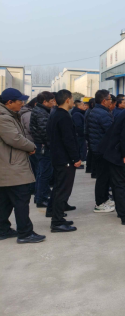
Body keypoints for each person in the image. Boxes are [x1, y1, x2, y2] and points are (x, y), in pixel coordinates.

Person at [0, 88, 45, 244]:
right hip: (12, 166)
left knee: (5, 201)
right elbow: (15, 139)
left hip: (8, 164)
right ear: (9, 102)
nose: (22, 103)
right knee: (21, 200)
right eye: (20, 101)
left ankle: (3, 229)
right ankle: (25, 233)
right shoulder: (3, 118)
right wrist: (31, 146)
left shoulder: (10, 115)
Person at [46, 89, 81, 233]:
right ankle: (57, 222)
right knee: (63, 191)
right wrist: (75, 158)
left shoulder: (55, 114)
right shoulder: (63, 116)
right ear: (67, 100)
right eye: (72, 99)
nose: (73, 101)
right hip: (64, 159)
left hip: (58, 157)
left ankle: (57, 216)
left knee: (59, 188)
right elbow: (69, 140)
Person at [87, 90, 115, 213]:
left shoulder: (97, 111)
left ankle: (104, 199)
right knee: (102, 178)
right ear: (104, 101)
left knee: (105, 176)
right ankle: (99, 203)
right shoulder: (102, 113)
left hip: (99, 148)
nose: (111, 102)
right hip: (102, 149)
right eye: (109, 99)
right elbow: (110, 131)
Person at [30, 91, 56, 208]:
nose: (53, 103)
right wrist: (52, 144)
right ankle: (41, 198)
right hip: (44, 146)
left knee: (42, 172)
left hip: (42, 145)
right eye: (52, 101)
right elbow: (45, 132)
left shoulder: (41, 110)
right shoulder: (41, 112)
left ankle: (39, 196)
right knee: (44, 173)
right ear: (45, 102)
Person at [19, 98, 38, 186]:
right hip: (30, 141)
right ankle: (33, 186)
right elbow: (31, 128)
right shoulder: (28, 114)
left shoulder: (28, 113)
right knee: (34, 166)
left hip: (29, 141)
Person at [71, 100, 88, 169]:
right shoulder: (77, 114)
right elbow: (78, 126)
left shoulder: (79, 113)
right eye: (83, 105)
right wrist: (82, 133)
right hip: (79, 136)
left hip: (80, 135)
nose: (84, 106)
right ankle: (79, 163)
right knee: (80, 149)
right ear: (79, 106)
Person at [84, 98, 95, 175]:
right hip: (89, 133)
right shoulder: (90, 112)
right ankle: (89, 168)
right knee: (91, 151)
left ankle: (89, 168)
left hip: (89, 133)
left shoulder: (90, 111)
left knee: (91, 151)